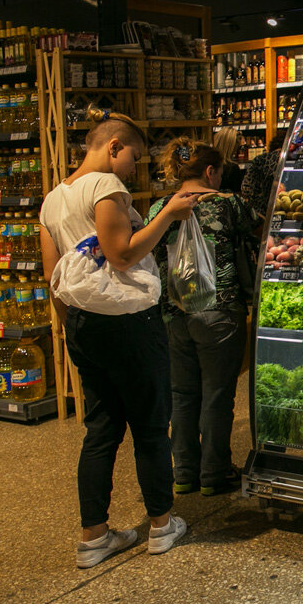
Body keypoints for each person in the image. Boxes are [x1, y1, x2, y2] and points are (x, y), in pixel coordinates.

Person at [39, 108, 199, 569]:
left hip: (83, 324)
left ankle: (94, 536)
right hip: (129, 322)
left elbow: (55, 278)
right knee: (151, 426)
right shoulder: (107, 187)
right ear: (113, 146)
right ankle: (162, 525)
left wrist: (70, 327)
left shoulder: (52, 200)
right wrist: (168, 212)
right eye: (134, 157)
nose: (135, 167)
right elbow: (124, 255)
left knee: (101, 429)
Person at [149, 138, 261, 499]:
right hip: (219, 310)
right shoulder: (228, 205)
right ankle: (213, 473)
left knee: (182, 394)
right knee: (217, 394)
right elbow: (261, 227)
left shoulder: (159, 208)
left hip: (174, 313)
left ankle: (183, 472)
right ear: (211, 171)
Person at [240, 128, 285, 214]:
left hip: (261, 214)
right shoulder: (291, 160)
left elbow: (246, 189)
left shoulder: (260, 160)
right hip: (286, 210)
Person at [212, 126, 245, 193]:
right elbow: (237, 194)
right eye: (235, 148)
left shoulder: (206, 163)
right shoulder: (232, 168)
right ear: (231, 147)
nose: (236, 152)